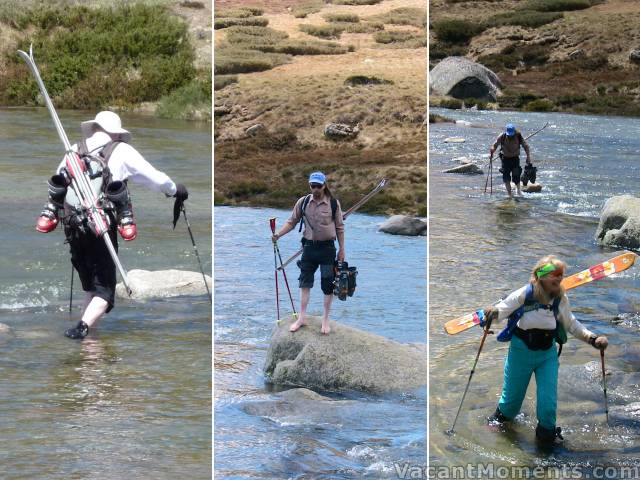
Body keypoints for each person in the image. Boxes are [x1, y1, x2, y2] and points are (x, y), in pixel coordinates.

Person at [36, 111, 189, 339]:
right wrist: (176, 190)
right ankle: (82, 329)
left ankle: (90, 342)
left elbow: (58, 184)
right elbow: (155, 179)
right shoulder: (121, 150)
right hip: (101, 226)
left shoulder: (74, 149)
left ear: (95, 128)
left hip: (73, 226)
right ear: (115, 132)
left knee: (90, 287)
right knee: (105, 292)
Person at [482, 255, 608, 445]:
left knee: (548, 404)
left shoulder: (560, 298)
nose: (559, 278)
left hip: (547, 355)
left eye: (561, 274)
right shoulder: (525, 294)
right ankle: (499, 422)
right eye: (554, 274)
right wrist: (493, 313)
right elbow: (503, 309)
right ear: (540, 276)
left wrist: (592, 339)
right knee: (510, 404)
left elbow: (571, 324)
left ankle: (546, 437)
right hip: (520, 352)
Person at [272, 172, 345, 334]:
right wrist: (278, 234)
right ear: (310, 186)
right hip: (308, 248)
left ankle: (325, 320)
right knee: (304, 283)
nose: (316, 189)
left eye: (319, 185)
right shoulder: (303, 202)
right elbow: (291, 222)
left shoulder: (333, 204)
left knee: (327, 285)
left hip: (327, 249)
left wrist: (342, 249)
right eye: (313, 185)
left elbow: (340, 227)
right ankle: (302, 317)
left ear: (324, 185)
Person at [489, 124, 532, 198]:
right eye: (509, 135)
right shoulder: (502, 136)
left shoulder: (518, 136)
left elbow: (526, 146)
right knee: (506, 177)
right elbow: (494, 145)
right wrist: (491, 152)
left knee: (516, 175)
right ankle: (509, 194)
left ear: (514, 132)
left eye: (511, 134)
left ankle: (518, 191)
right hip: (505, 159)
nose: (510, 136)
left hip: (515, 159)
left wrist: (528, 157)